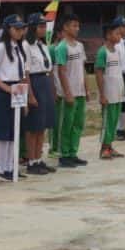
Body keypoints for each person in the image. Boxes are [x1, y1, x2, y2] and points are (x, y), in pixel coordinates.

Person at [0, 16, 29, 182]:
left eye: (21, 28)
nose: (19, 32)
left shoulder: (19, 47)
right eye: (16, 28)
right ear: (8, 29)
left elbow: (23, 73)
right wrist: (6, 88)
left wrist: (23, 97)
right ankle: (3, 169)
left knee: (15, 130)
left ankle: (11, 167)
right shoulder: (1, 47)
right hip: (4, 90)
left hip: (17, 89)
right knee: (4, 132)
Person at [52, 13, 89, 167]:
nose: (77, 28)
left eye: (78, 26)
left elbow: (83, 68)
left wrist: (86, 89)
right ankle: (63, 154)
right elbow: (61, 71)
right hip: (68, 93)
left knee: (78, 123)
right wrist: (67, 92)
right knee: (66, 124)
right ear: (65, 27)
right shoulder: (62, 47)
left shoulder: (79, 46)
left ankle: (73, 152)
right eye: (73, 25)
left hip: (80, 91)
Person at [22, 13, 56, 175]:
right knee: (33, 126)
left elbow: (49, 67)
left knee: (42, 125)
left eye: (44, 26)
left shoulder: (42, 45)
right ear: (33, 28)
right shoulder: (26, 46)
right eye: (40, 26)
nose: (44, 29)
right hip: (34, 83)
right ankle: (31, 160)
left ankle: (39, 158)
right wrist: (30, 94)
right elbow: (26, 72)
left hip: (45, 81)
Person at [95, 17, 125, 160]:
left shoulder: (116, 51)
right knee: (107, 121)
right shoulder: (103, 52)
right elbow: (99, 73)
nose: (119, 36)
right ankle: (104, 149)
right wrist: (102, 94)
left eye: (120, 34)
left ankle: (110, 145)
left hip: (118, 92)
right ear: (108, 35)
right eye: (116, 34)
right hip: (108, 93)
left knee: (114, 121)